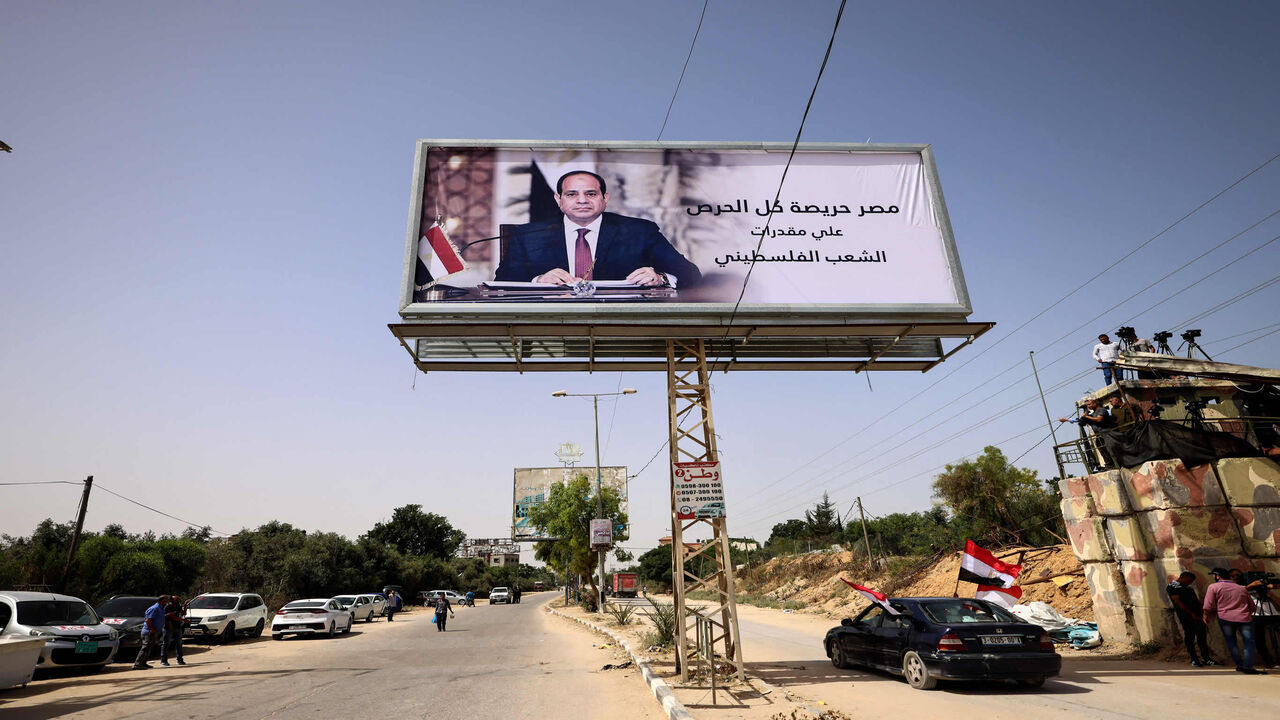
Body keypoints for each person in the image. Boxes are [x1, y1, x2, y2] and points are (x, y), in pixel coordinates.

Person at [494, 170, 701, 289]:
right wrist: (538, 280)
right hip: (552, 319)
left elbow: (691, 274)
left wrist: (661, 278)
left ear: (605, 198)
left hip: (620, 322)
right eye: (572, 194)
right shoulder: (529, 235)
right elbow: (501, 282)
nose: (582, 200)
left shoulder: (639, 231)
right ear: (559, 200)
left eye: (591, 194)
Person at [1204, 567, 1263, 674]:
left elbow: (1208, 605)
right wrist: (1246, 613)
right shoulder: (1241, 588)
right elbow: (1253, 607)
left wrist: (1205, 615)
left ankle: (1239, 665)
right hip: (1244, 619)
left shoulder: (1213, 587)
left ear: (1217, 576)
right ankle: (1248, 666)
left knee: (1231, 642)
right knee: (1249, 642)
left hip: (1225, 619)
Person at [1166, 572, 1219, 666]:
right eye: (1189, 581)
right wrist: (1191, 614)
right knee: (1190, 636)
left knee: (1202, 637)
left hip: (1198, 615)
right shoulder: (1172, 587)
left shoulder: (1188, 588)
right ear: (1183, 577)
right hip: (1186, 616)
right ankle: (1194, 658)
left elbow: (1196, 600)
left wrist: (1203, 613)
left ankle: (1206, 658)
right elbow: (1179, 603)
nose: (1190, 583)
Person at [1244, 572, 1280, 668]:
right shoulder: (1243, 586)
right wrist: (1252, 585)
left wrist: (1270, 586)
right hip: (1256, 614)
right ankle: (1268, 661)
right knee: (1259, 639)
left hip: (1271, 612)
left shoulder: (1265, 586)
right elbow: (1241, 590)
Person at [132, 595, 169, 670]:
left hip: (155, 632)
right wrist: (152, 629)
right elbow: (148, 620)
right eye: (165, 601)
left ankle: (143, 663)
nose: (167, 602)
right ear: (161, 601)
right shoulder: (154, 608)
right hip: (149, 632)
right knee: (145, 648)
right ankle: (137, 664)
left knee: (149, 649)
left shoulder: (161, 609)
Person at [161, 595, 186, 667]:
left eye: (177, 598)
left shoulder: (178, 606)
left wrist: (185, 605)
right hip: (169, 627)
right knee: (166, 644)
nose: (177, 600)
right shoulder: (168, 607)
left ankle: (180, 659)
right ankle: (164, 660)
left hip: (178, 627)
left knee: (179, 643)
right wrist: (183, 620)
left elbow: (183, 613)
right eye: (175, 599)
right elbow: (169, 617)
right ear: (171, 600)